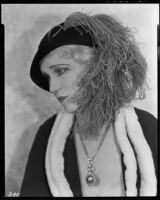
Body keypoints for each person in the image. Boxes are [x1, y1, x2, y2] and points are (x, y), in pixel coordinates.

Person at [20, 12, 157, 197]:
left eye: (60, 70)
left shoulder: (148, 128)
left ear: (99, 66)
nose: (52, 87)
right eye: (47, 77)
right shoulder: (47, 133)